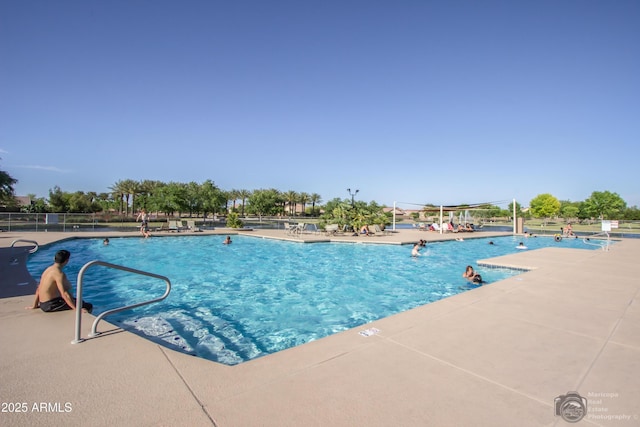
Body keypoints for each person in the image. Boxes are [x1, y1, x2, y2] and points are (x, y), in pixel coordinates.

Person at [26, 250, 93, 313]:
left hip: (43, 304)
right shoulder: (59, 274)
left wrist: (34, 306)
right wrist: (76, 309)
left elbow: (38, 289)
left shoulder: (48, 270)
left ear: (54, 259)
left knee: (79, 301)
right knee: (87, 306)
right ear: (66, 261)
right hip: (51, 305)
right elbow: (64, 294)